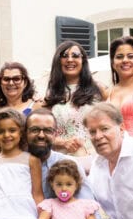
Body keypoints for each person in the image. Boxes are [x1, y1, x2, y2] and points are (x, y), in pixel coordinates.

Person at [42, 41, 107, 172]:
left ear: (83, 60)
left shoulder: (98, 89)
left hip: (95, 157)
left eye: (75, 55)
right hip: (62, 161)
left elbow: (109, 123)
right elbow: (42, 133)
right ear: (58, 61)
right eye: (65, 55)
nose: (70, 59)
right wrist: (62, 142)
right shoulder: (50, 95)